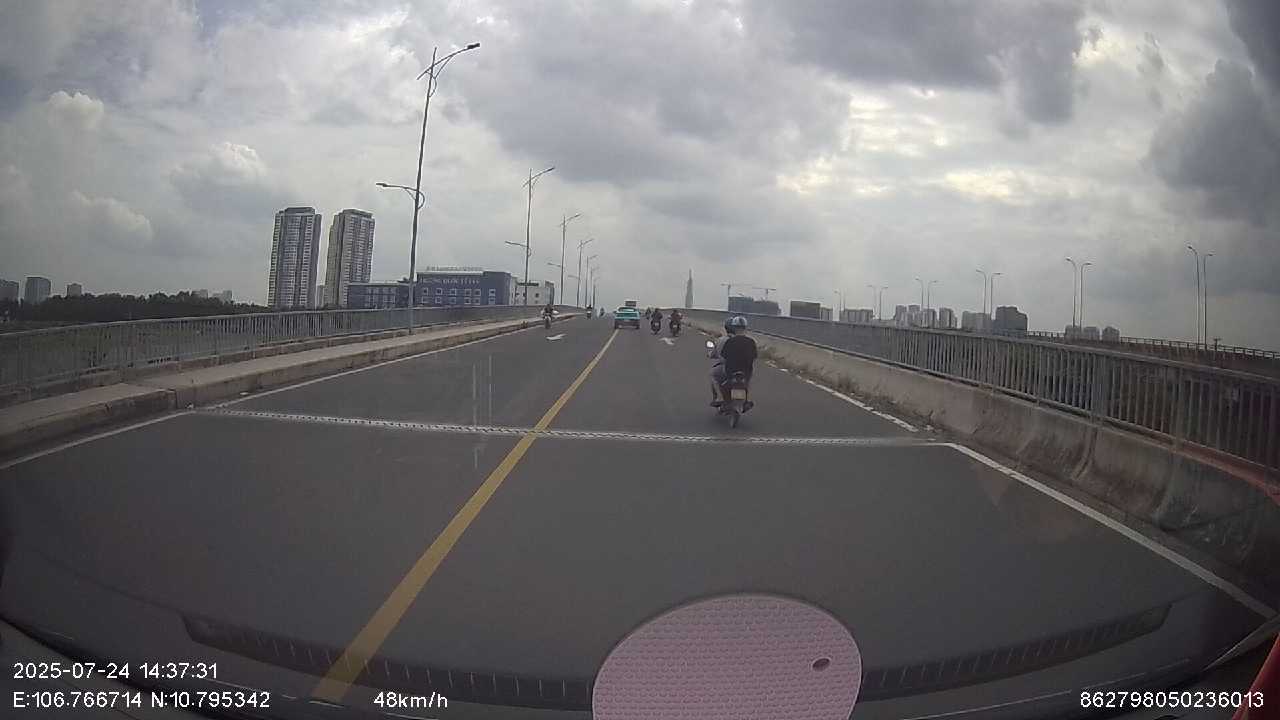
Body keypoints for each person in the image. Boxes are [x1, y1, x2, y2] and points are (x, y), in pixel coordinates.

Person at [708, 315, 757, 406]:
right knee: (748, 380)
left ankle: (720, 397)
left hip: (730, 371)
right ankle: (748, 399)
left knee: (713, 375)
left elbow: (724, 356)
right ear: (745, 327)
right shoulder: (751, 341)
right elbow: (754, 357)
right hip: (746, 370)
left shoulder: (729, 341)